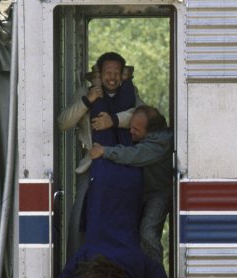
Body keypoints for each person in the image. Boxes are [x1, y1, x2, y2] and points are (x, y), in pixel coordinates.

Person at [57, 51, 144, 257]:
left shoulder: (131, 92)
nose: (112, 78)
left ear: (123, 75)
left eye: (116, 73)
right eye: (107, 73)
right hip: (92, 163)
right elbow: (63, 122)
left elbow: (142, 116)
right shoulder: (84, 92)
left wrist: (113, 120)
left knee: (129, 217)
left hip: (124, 163)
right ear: (100, 74)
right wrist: (88, 101)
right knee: (81, 216)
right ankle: (78, 266)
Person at [89, 105, 173, 263]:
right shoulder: (149, 134)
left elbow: (134, 155)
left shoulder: (161, 143)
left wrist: (104, 151)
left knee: (148, 234)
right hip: (144, 190)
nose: (130, 132)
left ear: (150, 131)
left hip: (159, 193)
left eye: (135, 129)